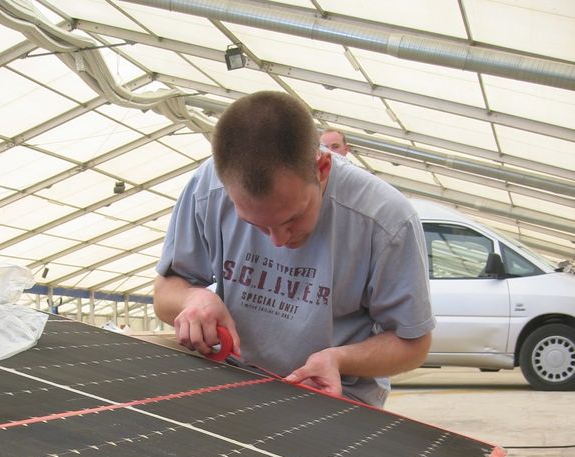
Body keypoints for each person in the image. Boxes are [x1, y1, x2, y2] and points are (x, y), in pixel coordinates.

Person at [153, 91, 433, 407]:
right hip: (234, 381)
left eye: (292, 218)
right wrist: (194, 298)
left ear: (323, 168)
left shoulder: (385, 220)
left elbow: (414, 343)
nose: (277, 241)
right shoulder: (208, 188)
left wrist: (339, 359)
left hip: (335, 396)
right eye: (255, 223)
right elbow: (165, 293)